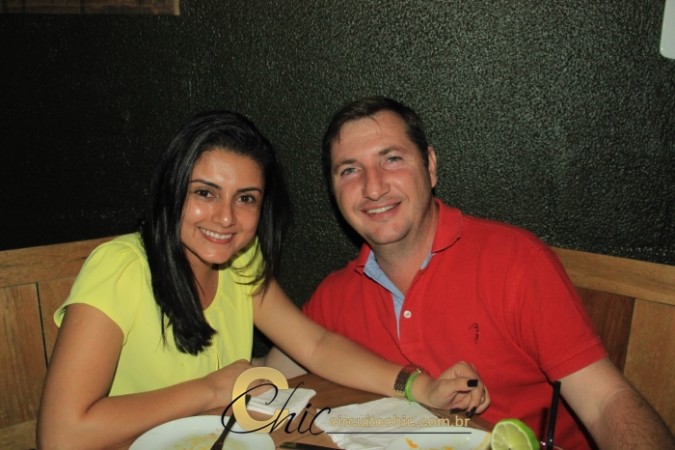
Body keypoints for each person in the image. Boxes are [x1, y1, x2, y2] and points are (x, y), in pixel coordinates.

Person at [36, 110, 489, 450]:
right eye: (205, 193)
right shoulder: (120, 267)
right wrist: (213, 389)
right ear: (172, 191)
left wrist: (418, 386)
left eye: (246, 198)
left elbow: (315, 346)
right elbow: (60, 435)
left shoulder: (241, 260)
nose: (226, 218)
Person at [265, 96, 675, 449]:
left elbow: (605, 402)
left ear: (430, 165)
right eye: (350, 170)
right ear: (334, 191)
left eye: (392, 159)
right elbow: (266, 383)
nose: (373, 187)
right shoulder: (335, 295)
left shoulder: (514, 261)